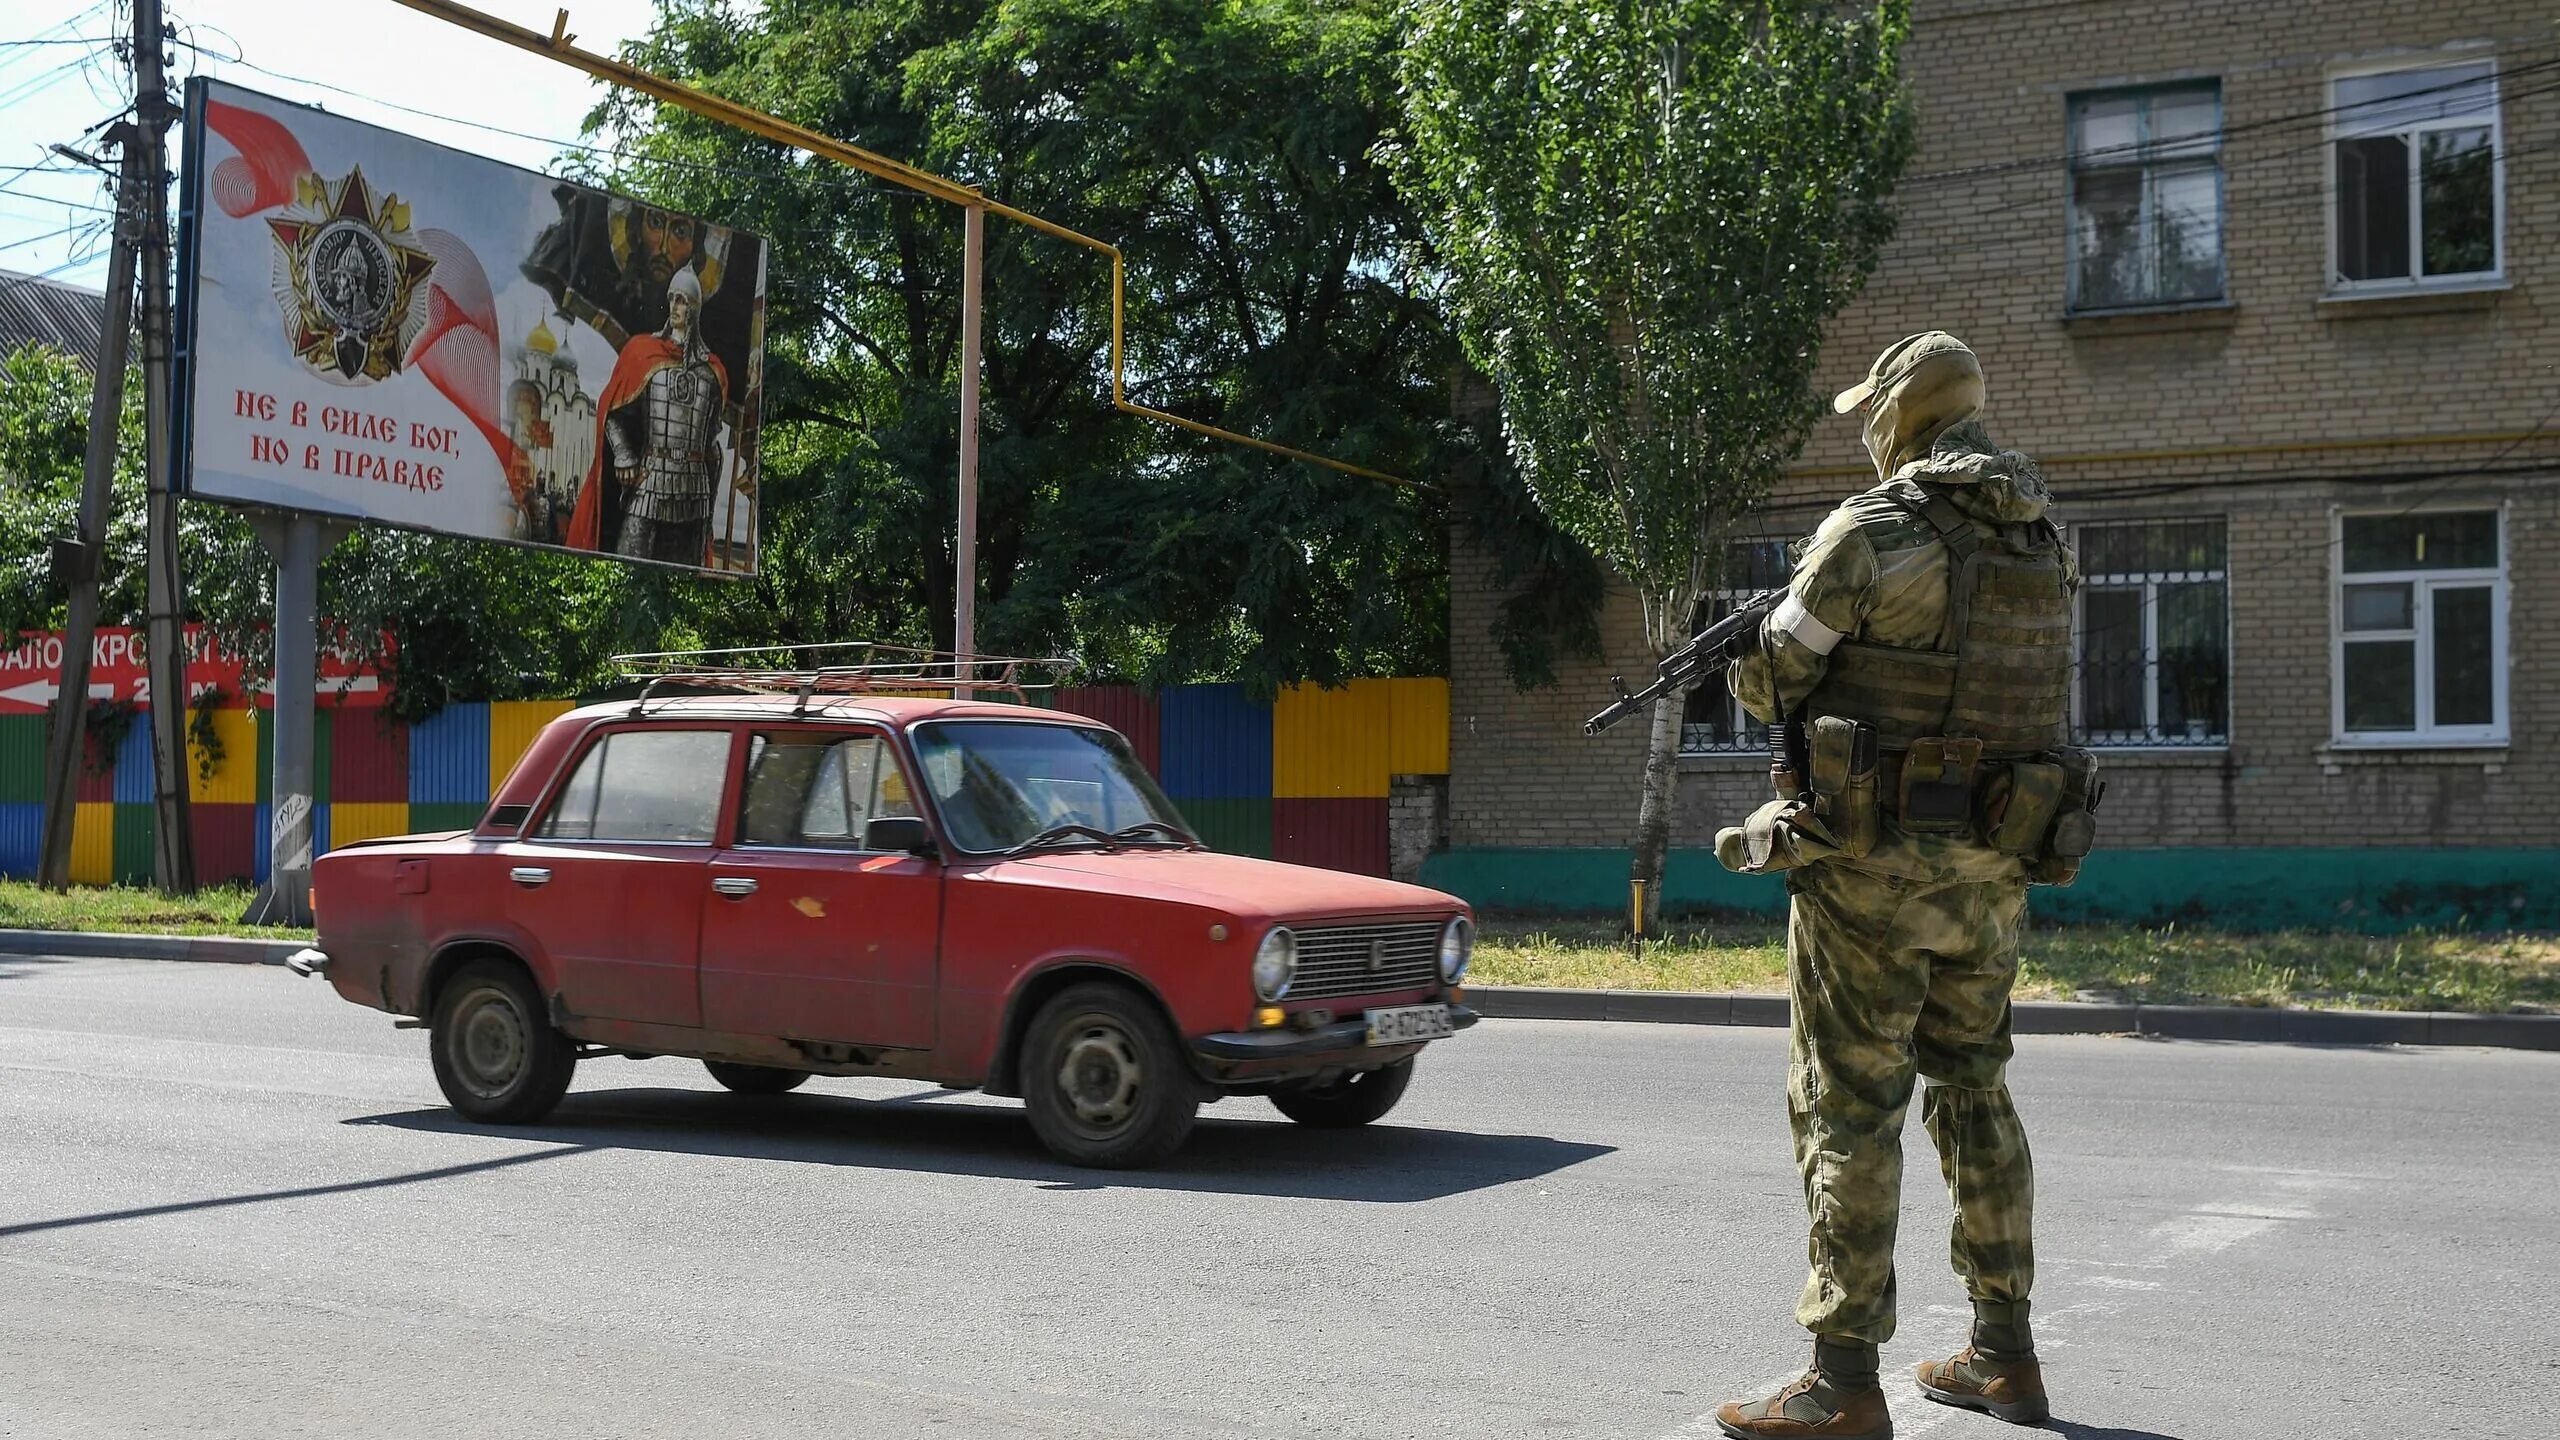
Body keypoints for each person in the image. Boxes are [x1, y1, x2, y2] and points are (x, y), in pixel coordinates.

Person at [1712, 333, 2094, 1439]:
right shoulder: (2040, 540)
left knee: (1848, 1106)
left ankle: (1838, 1382)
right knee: (1974, 1091)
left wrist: (1746, 653)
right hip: (1992, 872)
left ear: (1896, 416)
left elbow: (1770, 676)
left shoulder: (1871, 531)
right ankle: (2003, 1356)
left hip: (1869, 880)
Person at [568, 267, 736, 566]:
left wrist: (710, 510)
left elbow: (712, 447)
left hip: (694, 492)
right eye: (672, 298)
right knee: (624, 566)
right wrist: (622, 453)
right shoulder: (642, 352)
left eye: (682, 300)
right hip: (650, 483)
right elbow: (613, 411)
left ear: (694, 308)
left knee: (684, 578)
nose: (675, 306)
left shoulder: (713, 374)